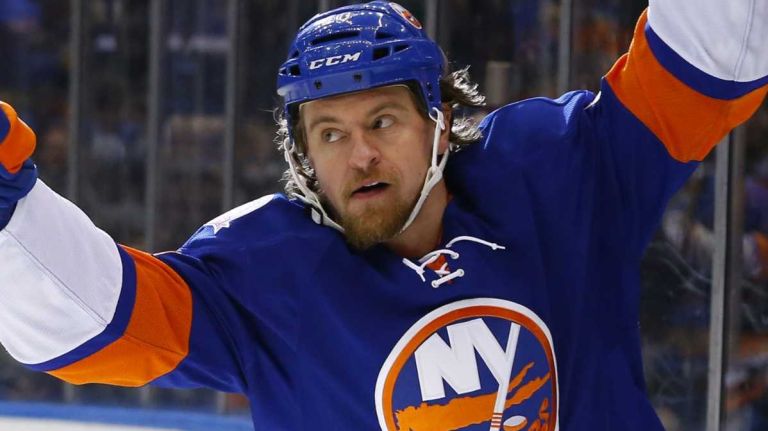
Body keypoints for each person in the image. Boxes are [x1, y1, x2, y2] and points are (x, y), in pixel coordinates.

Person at [0, 1, 766, 429]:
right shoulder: (264, 269)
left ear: (438, 122)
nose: (359, 154)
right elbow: (96, 322)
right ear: (301, 155)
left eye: (383, 122)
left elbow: (708, 65)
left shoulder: (553, 173)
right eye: (330, 133)